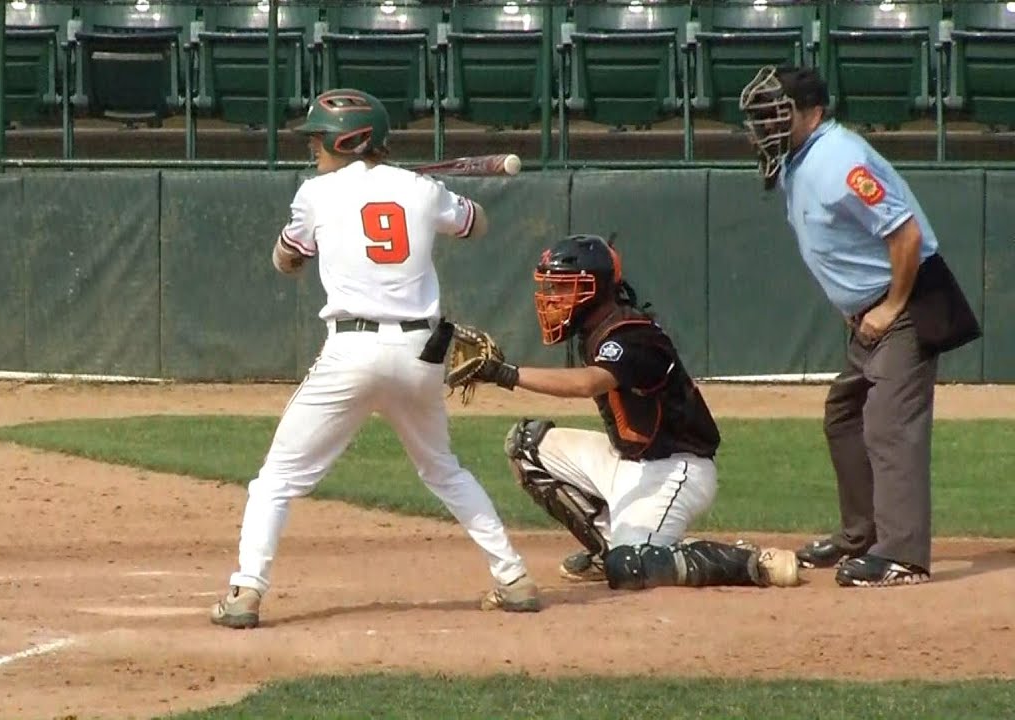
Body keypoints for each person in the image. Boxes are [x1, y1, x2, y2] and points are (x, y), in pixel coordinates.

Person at [209, 88, 541, 629]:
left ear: (349, 139)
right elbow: (477, 224)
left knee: (276, 480)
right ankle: (514, 577)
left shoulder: (314, 193)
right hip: (419, 353)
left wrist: (299, 242)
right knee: (443, 470)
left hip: (352, 350)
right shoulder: (420, 187)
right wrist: (431, 197)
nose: (311, 146)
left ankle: (246, 593)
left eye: (318, 138)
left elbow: (285, 261)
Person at [738, 65, 980, 587]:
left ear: (814, 113)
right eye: (761, 115)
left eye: (778, 113)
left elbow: (906, 235)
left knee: (888, 425)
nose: (765, 125)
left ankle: (903, 556)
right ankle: (861, 535)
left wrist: (891, 307)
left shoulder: (837, 160)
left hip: (910, 301)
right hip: (871, 310)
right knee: (844, 414)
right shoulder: (798, 159)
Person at [455, 233, 801, 592]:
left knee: (632, 566)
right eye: (551, 288)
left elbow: (589, 383)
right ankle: (609, 551)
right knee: (527, 444)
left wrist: (506, 374)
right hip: (627, 462)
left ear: (597, 290)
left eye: (564, 288)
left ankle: (749, 562)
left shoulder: (634, 335)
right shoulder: (598, 330)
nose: (552, 299)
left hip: (675, 470)